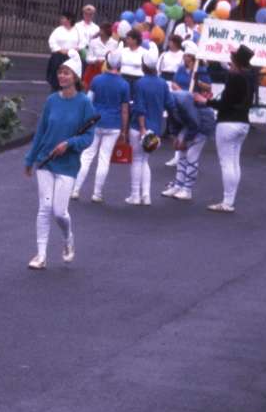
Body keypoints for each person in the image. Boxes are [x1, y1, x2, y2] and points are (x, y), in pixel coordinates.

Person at [23, 56, 97, 268]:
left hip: (68, 164)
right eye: (60, 72)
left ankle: (67, 239)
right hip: (45, 161)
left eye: (66, 73)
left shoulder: (84, 103)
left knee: (59, 212)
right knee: (44, 207)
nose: (62, 76)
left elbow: (88, 137)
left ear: (75, 77)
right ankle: (41, 255)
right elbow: (41, 131)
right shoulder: (51, 101)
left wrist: (69, 143)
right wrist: (30, 159)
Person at [73, 57, 129, 202]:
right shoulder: (124, 84)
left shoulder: (97, 80)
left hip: (95, 121)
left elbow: (88, 101)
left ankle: (75, 190)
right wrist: (124, 131)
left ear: (107, 64)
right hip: (113, 124)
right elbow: (124, 110)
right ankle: (97, 194)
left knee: (87, 156)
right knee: (104, 159)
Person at [209, 43, 255, 212]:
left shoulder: (235, 78)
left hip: (228, 122)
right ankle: (229, 200)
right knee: (234, 161)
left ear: (236, 62)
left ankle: (227, 202)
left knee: (227, 162)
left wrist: (206, 101)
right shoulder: (250, 77)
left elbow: (225, 103)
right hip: (243, 122)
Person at [161, 76, 216, 202]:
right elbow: (173, 119)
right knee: (181, 154)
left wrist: (185, 140)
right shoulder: (168, 101)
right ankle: (178, 186)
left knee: (191, 156)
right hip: (190, 123)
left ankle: (187, 190)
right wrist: (175, 137)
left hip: (204, 123)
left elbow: (194, 123)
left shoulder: (182, 100)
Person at [127, 52, 170, 205]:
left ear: (143, 65)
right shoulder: (163, 83)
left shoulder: (139, 83)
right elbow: (170, 104)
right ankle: (146, 196)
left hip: (138, 128)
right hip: (155, 128)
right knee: (145, 161)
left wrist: (142, 127)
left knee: (137, 160)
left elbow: (140, 107)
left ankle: (135, 195)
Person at [46, 15, 82, 90]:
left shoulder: (78, 30)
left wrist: (77, 48)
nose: (61, 20)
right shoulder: (58, 30)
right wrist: (60, 49)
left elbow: (83, 42)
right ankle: (56, 89)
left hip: (72, 57)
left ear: (69, 19)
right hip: (59, 56)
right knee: (56, 76)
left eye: (63, 18)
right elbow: (52, 41)